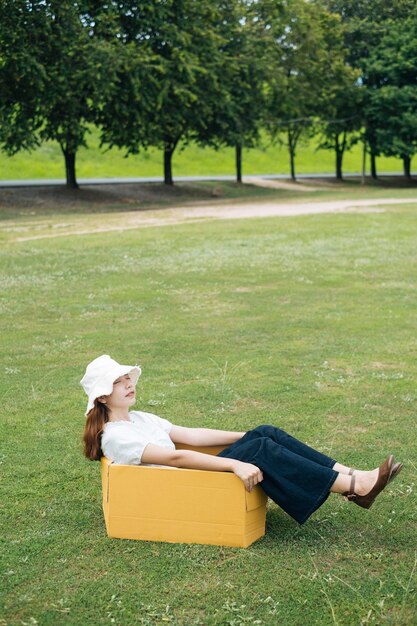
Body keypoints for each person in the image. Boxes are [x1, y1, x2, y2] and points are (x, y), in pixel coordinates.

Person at [81, 355, 403, 526]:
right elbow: (175, 458)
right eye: (118, 382)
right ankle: (354, 488)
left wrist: (245, 435)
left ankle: (354, 477)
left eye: (127, 379)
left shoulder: (140, 419)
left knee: (264, 433)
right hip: (184, 486)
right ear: (103, 397)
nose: (128, 384)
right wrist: (235, 462)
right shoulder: (116, 436)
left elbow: (190, 436)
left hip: (193, 475)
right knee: (260, 448)